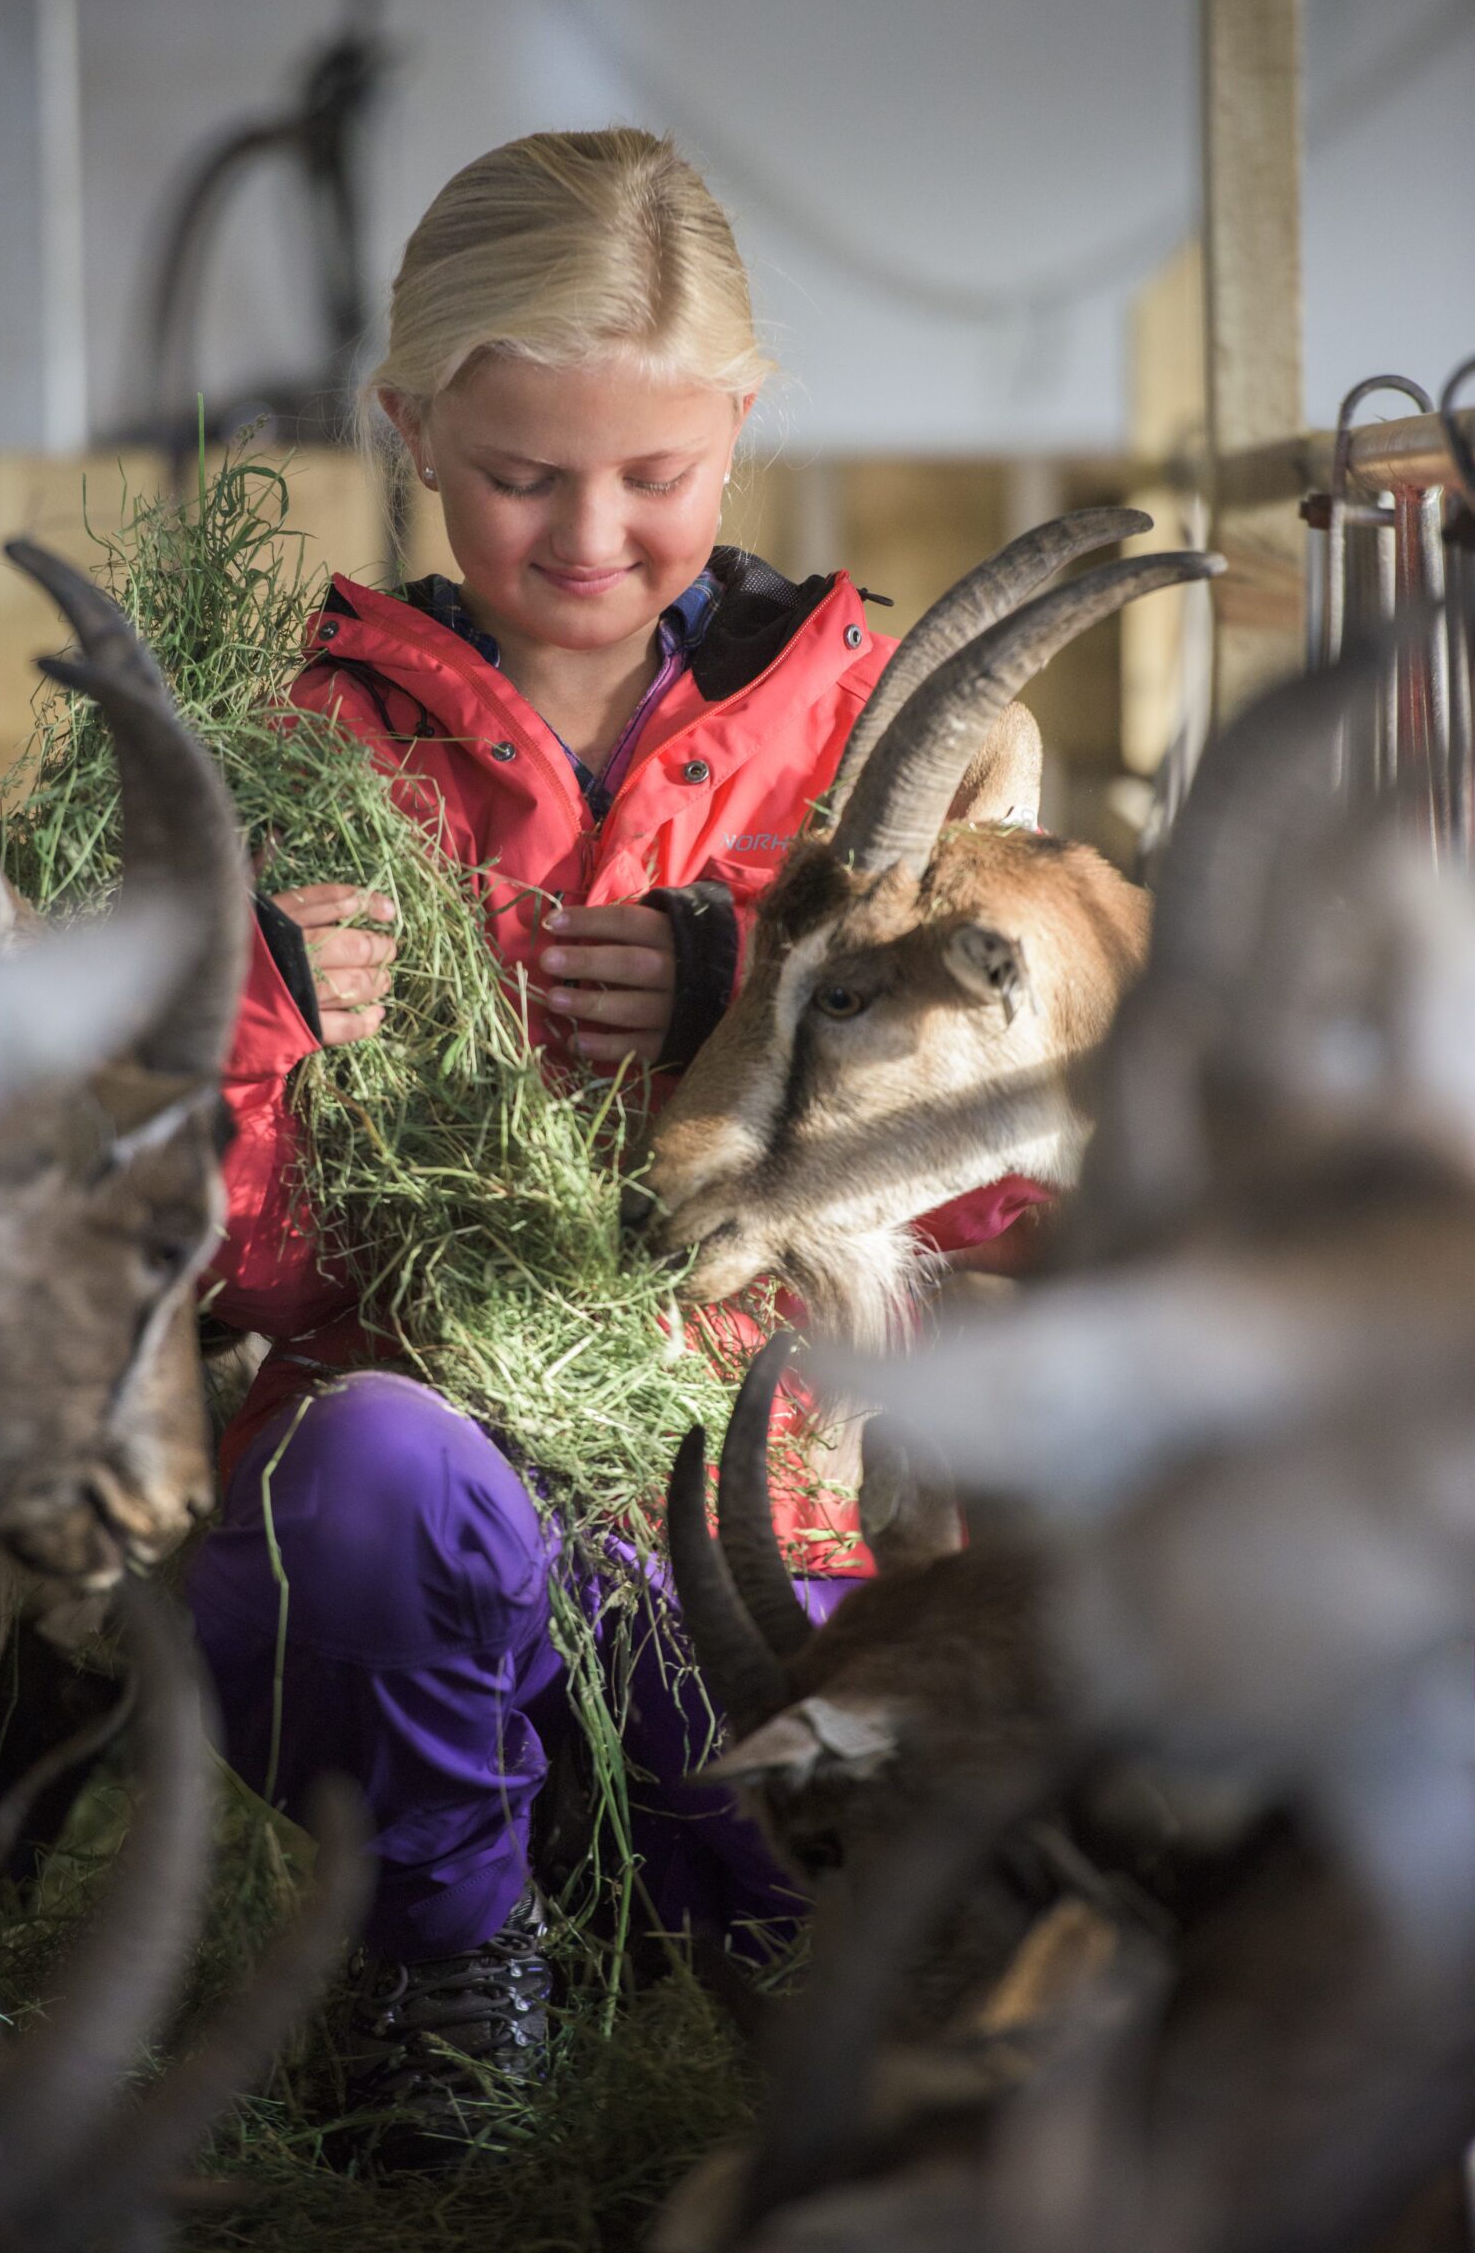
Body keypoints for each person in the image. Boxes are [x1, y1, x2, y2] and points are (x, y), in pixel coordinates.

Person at [186, 128, 1049, 2164]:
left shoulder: (889, 735)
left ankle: (742, 1940)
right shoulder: (305, 752)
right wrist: (268, 1015)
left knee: (828, 1996)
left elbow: (1005, 1176)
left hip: (773, 1516)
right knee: (376, 1467)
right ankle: (445, 1961)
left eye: (654, 473)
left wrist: (755, 990)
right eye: (519, 473)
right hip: (414, 1540)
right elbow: (230, 1260)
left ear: (738, 426)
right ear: (407, 427)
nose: (590, 533)